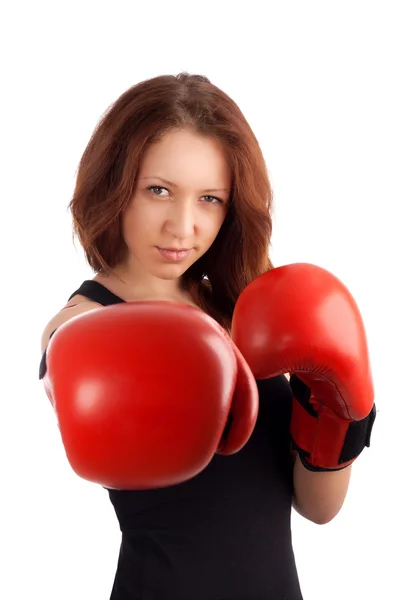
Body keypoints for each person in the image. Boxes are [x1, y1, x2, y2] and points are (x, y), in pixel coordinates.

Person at [39, 73, 376, 599]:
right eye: (158, 190)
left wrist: (339, 409)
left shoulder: (245, 312)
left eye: (210, 199)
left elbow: (318, 508)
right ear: (115, 186)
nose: (182, 225)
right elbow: (65, 351)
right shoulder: (82, 322)